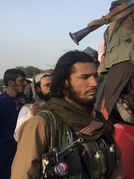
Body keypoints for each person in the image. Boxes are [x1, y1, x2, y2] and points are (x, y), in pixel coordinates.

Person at [11, 50, 123, 179]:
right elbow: (23, 174)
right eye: (85, 77)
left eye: (95, 76)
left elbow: (116, 160)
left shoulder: (96, 118)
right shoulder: (41, 124)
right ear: (65, 82)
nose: (94, 83)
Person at [0, 68, 26, 179]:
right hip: (3, 160)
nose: (24, 84)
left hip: (19, 157)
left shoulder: (25, 103)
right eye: (21, 81)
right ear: (10, 83)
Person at [14, 72, 52, 141]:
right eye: (47, 85)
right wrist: (31, 115)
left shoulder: (58, 105)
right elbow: (17, 136)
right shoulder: (28, 109)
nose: (51, 88)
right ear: (38, 89)